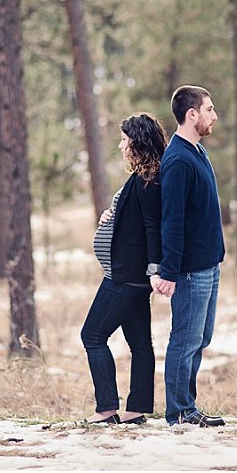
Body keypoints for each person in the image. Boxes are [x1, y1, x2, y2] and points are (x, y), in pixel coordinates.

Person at [80, 112, 168, 425]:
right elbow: (136, 221)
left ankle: (106, 410)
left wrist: (155, 269)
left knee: (92, 335)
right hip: (132, 275)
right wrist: (112, 215)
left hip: (126, 276)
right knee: (140, 344)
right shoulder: (146, 178)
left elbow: (152, 227)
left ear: (138, 143)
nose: (120, 146)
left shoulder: (147, 182)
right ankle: (136, 410)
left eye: (124, 140)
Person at [153, 86, 227, 426]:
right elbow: (172, 220)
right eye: (209, 110)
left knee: (201, 338)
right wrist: (168, 271)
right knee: (185, 340)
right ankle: (179, 412)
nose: (214, 116)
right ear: (191, 114)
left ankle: (188, 406)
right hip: (189, 271)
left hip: (209, 265)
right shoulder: (179, 160)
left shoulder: (196, 151)